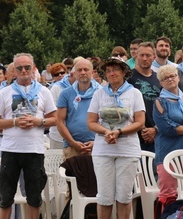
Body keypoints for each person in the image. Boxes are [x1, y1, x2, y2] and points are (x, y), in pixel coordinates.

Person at [0, 53, 57, 219]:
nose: (24, 70)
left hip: (34, 150)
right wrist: (14, 123)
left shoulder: (44, 92)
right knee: (5, 196)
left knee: (34, 197)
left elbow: (55, 119)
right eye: (19, 68)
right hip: (10, 150)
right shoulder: (3, 93)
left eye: (27, 67)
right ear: (13, 71)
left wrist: (38, 121)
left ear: (34, 69)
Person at [87, 56, 145, 219]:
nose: (112, 73)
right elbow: (91, 122)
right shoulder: (99, 94)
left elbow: (140, 122)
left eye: (115, 70)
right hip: (103, 150)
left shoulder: (134, 93)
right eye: (109, 71)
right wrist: (106, 132)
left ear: (123, 72)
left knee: (124, 197)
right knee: (104, 197)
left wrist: (119, 132)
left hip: (127, 150)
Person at [153, 64, 183, 207]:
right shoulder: (160, 102)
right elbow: (167, 127)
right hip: (168, 151)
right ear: (161, 83)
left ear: (178, 78)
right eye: (165, 78)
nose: (170, 79)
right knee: (169, 194)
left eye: (172, 75)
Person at [57, 59, 99, 159]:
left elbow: (107, 121)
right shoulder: (65, 94)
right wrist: (73, 143)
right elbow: (60, 122)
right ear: (74, 73)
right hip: (72, 148)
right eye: (79, 70)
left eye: (86, 69)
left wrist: (96, 142)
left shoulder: (101, 93)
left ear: (92, 72)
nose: (83, 72)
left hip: (97, 147)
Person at [128, 42, 161, 153]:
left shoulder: (159, 79)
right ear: (136, 56)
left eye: (148, 55)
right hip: (134, 135)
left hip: (156, 134)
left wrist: (155, 129)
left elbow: (165, 107)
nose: (144, 58)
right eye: (141, 55)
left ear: (154, 57)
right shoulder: (128, 78)